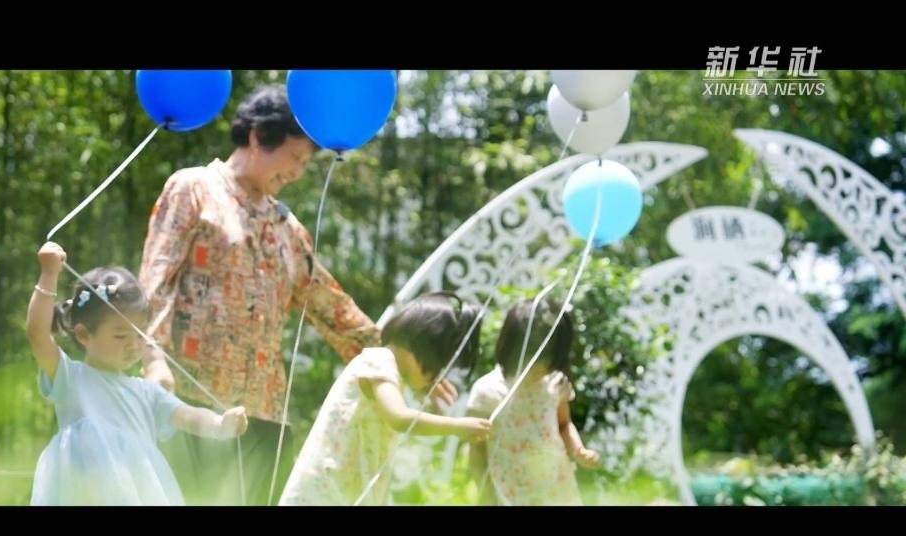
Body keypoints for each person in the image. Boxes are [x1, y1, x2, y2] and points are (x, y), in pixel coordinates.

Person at [139, 85, 456, 506]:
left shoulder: (287, 228)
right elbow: (156, 279)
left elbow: (334, 310)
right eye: (295, 158)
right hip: (190, 401)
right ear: (258, 137)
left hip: (264, 415)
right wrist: (152, 357)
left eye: (306, 163)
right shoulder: (193, 189)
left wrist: (403, 359)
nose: (298, 173)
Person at [27, 241, 248, 506]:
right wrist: (49, 274)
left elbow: (188, 416)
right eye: (121, 336)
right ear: (84, 334)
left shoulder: (146, 392)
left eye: (140, 334)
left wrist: (219, 425)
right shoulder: (71, 379)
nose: (133, 345)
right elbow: (38, 334)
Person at [278, 291, 492, 506]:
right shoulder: (379, 361)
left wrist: (420, 384)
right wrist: (457, 427)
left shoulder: (389, 372)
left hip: (344, 494)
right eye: (437, 366)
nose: (436, 375)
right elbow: (399, 418)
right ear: (422, 347)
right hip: (323, 494)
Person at [466, 297, 600, 506]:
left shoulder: (555, 383)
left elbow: (564, 424)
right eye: (535, 359)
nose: (542, 367)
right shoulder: (488, 391)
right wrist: (485, 493)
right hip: (511, 491)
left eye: (550, 360)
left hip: (556, 487)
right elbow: (476, 451)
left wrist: (578, 450)